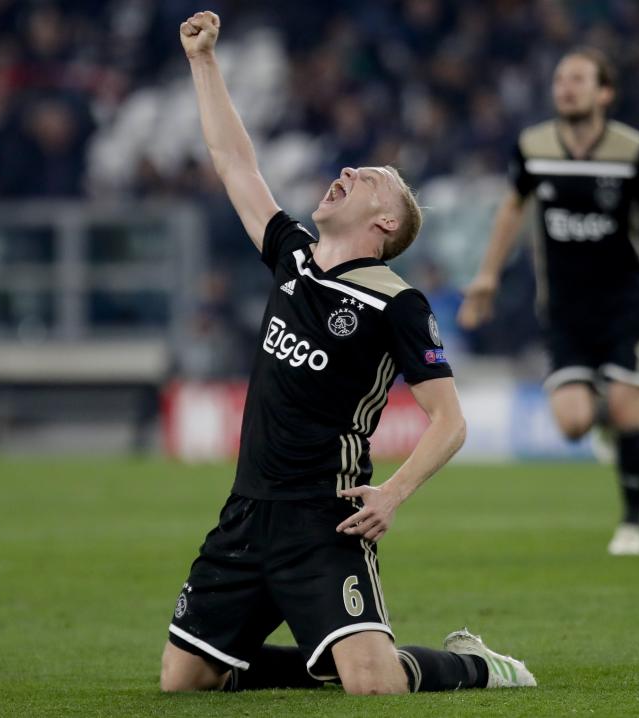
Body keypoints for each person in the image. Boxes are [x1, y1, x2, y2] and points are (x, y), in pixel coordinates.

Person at [160, 11, 536, 695]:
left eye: (367, 179)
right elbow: (234, 162)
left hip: (323, 515)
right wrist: (204, 61)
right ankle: (323, 665)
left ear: (384, 223)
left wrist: (392, 494)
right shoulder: (293, 256)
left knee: (377, 688)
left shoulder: (398, 304)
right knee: (185, 682)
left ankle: (480, 666)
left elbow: (450, 422)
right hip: (246, 512)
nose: (347, 171)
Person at [457, 48, 639, 556]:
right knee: (573, 423)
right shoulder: (533, 147)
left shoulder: (632, 150)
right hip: (565, 309)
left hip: (627, 302)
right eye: (559, 80)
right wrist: (486, 276)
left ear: (604, 93)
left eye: (577, 79)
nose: (565, 88)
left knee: (626, 407)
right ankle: (605, 423)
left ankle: (633, 523)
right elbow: (512, 210)